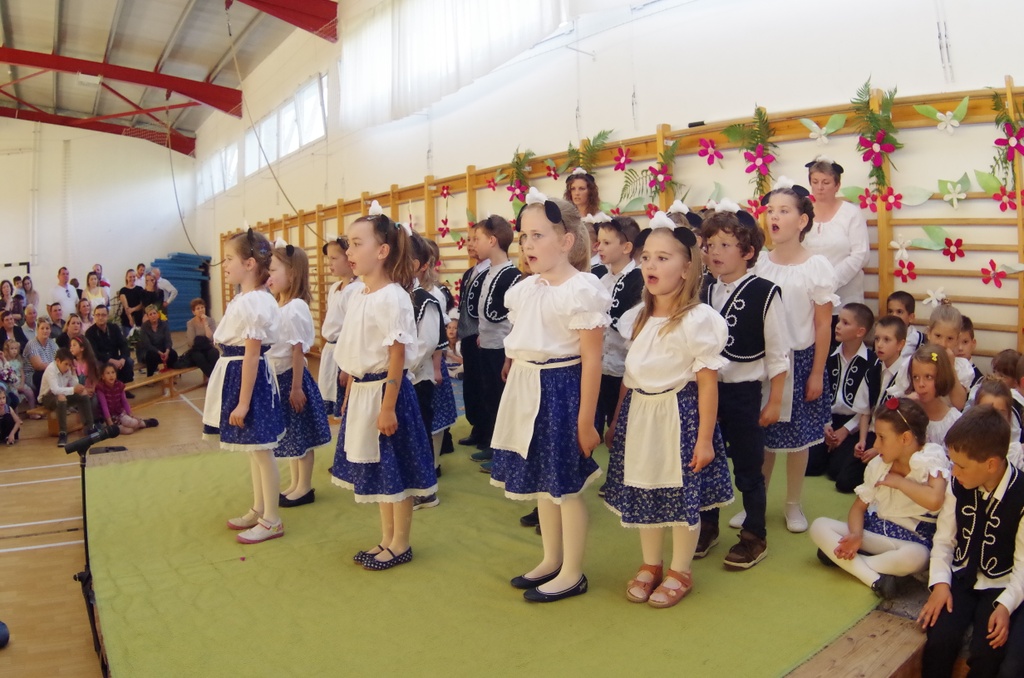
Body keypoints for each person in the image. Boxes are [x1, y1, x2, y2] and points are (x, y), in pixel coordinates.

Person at [602, 214, 733, 608]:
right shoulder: (638, 318)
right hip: (640, 416)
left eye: (663, 258)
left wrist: (705, 439)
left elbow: (707, 384)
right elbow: (630, 376)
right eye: (646, 258)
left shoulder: (698, 321)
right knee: (646, 488)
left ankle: (680, 569)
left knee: (680, 495)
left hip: (679, 416)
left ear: (687, 267)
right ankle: (651, 563)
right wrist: (617, 418)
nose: (651, 265)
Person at [489, 187, 611, 602]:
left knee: (565, 488)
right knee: (545, 483)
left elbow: (592, 361)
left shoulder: (581, 290)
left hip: (561, 391)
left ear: (566, 241)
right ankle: (551, 558)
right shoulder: (526, 288)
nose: (527, 244)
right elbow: (525, 336)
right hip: (528, 389)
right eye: (524, 236)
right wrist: (514, 362)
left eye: (538, 235)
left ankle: (573, 572)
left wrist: (586, 420)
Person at [328, 204, 437, 570]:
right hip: (364, 392)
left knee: (395, 471)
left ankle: (400, 543)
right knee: (379, 472)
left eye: (357, 243)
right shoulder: (359, 293)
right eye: (348, 243)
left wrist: (388, 407)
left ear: (382, 251)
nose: (349, 251)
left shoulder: (393, 296)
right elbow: (355, 350)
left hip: (385, 395)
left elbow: (396, 355)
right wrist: (349, 394)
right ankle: (386, 538)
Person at [696, 205, 788, 569]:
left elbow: (779, 354)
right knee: (705, 461)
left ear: (748, 252)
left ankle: (754, 535)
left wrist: (775, 401)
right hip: (705, 393)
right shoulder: (703, 289)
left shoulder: (765, 292)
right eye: (710, 245)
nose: (715, 252)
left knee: (749, 467)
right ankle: (707, 525)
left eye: (725, 245)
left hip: (744, 394)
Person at [747, 180, 837, 533]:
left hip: (800, 361)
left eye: (784, 211)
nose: (774, 217)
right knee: (763, 436)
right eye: (771, 210)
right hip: (764, 362)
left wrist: (816, 372)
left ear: (802, 221)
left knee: (798, 440)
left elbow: (823, 324)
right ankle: (756, 503)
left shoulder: (816, 266)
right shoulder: (759, 264)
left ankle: (793, 504)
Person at [919, 406, 1024, 678]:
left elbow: (1023, 565)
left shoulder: (1021, 496)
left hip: (1001, 585)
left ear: (991, 464)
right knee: (940, 639)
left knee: (988, 652)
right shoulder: (957, 486)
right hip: (960, 578)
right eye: (952, 463)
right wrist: (940, 584)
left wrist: (1006, 605)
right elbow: (944, 540)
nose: (954, 472)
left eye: (961, 466)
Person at [811, 397, 948, 598]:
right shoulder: (879, 464)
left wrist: (899, 482)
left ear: (905, 438)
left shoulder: (930, 457)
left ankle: (846, 562)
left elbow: (935, 500)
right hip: (875, 532)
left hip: (910, 541)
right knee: (819, 525)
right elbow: (858, 508)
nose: (875, 444)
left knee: (918, 557)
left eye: (882, 437)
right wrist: (856, 535)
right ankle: (875, 578)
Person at [200, 229, 286, 545]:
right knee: (253, 450)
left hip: (249, 379)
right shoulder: (246, 298)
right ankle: (259, 508)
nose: (223, 265)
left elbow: (251, 355)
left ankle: (272, 519)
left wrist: (244, 402)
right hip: (238, 373)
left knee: (262, 451)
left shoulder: (255, 302)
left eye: (228, 259)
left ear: (249, 264)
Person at [265, 241, 331, 508]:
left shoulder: (295, 308)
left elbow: (297, 350)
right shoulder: (279, 305)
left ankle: (304, 487)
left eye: (273, 270)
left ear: (292, 274)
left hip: (292, 380)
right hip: (279, 379)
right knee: (292, 435)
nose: (268, 276)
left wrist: (295, 388)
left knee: (301, 436)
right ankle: (295, 484)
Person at [469, 215, 521, 467]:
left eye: (477, 239)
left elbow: (514, 318)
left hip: (503, 348)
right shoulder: (487, 272)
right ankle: (493, 443)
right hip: (487, 345)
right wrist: (482, 333)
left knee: (504, 400)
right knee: (490, 397)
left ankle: (505, 453)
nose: (473, 244)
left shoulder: (512, 275)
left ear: (492, 240)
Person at [806, 303, 875, 491]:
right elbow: (819, 396)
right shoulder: (827, 355)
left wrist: (845, 430)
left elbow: (869, 407)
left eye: (845, 323)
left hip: (853, 423)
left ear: (860, 331)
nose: (837, 326)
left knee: (836, 472)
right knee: (809, 466)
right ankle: (828, 450)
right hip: (827, 420)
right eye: (838, 321)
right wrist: (825, 425)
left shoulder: (872, 363)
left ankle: (836, 455)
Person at [803, 157, 869, 321]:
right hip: (810, 300)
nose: (820, 187)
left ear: (837, 185)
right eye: (815, 182)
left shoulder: (851, 213)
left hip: (846, 302)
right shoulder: (804, 214)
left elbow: (861, 255)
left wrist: (830, 281)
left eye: (826, 182)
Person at [594, 215, 643, 438]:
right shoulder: (600, 279)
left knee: (623, 427)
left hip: (623, 370)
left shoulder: (639, 280)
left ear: (626, 247)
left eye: (606, 242)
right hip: (599, 368)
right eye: (599, 242)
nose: (599, 247)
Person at [407, 232, 446, 508]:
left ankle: (426, 490)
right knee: (408, 434)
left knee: (420, 433)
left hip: (417, 378)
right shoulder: (399, 296)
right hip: (402, 378)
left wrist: (402, 367)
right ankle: (412, 482)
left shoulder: (425, 300)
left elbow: (428, 341)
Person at [318, 236, 362, 416]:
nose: (330, 263)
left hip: (344, 351)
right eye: (328, 258)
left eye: (334, 258)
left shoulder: (356, 288)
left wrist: (346, 367)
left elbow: (353, 331)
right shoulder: (335, 287)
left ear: (349, 258)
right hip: (331, 350)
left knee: (346, 405)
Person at [423, 239, 458, 460]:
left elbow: (438, 335)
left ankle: (435, 462)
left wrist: (436, 367)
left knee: (436, 414)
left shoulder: (435, 293)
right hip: (415, 367)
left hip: (430, 364)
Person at [454, 236, 489, 449]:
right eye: (468, 240)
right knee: (471, 385)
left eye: (475, 239)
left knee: (485, 386)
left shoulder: (492, 272)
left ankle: (487, 432)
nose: (470, 244)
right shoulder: (470, 272)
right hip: (468, 336)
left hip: (481, 337)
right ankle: (476, 427)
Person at [902, 344, 961, 447]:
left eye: (928, 377)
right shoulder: (907, 414)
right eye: (916, 377)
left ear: (942, 377)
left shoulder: (954, 421)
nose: (921, 384)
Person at [39, 347, 95, 448]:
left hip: (63, 394)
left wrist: (73, 374)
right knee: (61, 397)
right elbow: (55, 390)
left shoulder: (68, 369)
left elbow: (75, 385)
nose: (68, 367)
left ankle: (90, 427)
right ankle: (63, 433)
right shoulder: (51, 369)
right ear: (57, 361)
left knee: (83, 393)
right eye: (66, 364)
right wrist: (73, 389)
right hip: (47, 397)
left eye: (70, 364)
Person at [972, 377, 1024, 470]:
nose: (993, 420)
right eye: (986, 412)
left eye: (1000, 414)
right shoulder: (964, 449)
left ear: (1009, 417)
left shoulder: (1017, 455)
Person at [564, 168, 605, 277]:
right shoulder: (567, 217)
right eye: (573, 189)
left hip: (595, 266)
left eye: (581, 188)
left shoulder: (599, 218)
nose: (577, 193)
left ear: (590, 191)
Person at [95, 363, 157, 435]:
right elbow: (104, 406)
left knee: (133, 422)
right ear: (103, 376)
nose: (111, 375)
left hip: (120, 414)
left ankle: (144, 423)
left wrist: (130, 414)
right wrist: (110, 422)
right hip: (108, 418)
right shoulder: (100, 388)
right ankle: (141, 423)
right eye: (108, 373)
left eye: (113, 372)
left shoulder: (119, 385)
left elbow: (124, 401)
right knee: (129, 431)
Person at [85, 305, 135, 387]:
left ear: (107, 316)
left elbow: (123, 345)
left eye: (103, 315)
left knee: (128, 361)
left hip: (116, 358)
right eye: (98, 315)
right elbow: (95, 353)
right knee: (104, 367)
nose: (100, 317)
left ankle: (126, 387)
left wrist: (122, 359)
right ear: (94, 316)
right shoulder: (90, 333)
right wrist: (111, 361)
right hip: (101, 361)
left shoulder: (114, 328)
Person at [184, 299, 220, 379]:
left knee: (214, 353)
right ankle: (213, 378)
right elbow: (191, 342)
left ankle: (214, 378)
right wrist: (204, 340)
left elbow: (212, 338)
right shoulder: (190, 323)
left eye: (202, 307)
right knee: (199, 357)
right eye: (198, 308)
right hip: (196, 349)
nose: (201, 310)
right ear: (193, 312)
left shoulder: (211, 320)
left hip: (208, 347)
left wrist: (205, 323)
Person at [138, 305, 178, 376]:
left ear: (158, 314)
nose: (153, 315)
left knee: (173, 354)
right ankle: (150, 376)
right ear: (148, 316)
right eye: (150, 314)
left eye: (154, 313)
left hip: (163, 349)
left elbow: (168, 340)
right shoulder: (144, 327)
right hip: (150, 351)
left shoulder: (164, 324)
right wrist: (159, 352)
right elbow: (147, 344)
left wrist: (167, 351)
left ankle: (171, 375)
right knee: (151, 356)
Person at [24, 317, 58, 396]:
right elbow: (38, 366)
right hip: (33, 375)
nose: (45, 331)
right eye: (42, 328)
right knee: (42, 374)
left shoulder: (52, 343)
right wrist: (56, 366)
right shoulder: (32, 344)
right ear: (37, 330)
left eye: (47, 328)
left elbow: (60, 358)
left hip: (50, 371)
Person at [886, 291, 925, 360]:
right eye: (890, 311)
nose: (893, 316)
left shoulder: (921, 340)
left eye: (899, 312)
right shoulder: (881, 337)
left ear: (911, 317)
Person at [3, 339, 36, 412]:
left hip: (20, 383)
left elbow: (22, 374)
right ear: (7, 350)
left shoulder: (18, 360)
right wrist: (15, 387)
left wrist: (22, 384)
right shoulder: (5, 362)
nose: (14, 351)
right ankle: (16, 414)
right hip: (11, 385)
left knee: (30, 392)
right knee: (15, 396)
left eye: (16, 349)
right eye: (12, 349)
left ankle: (33, 411)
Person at [956, 316, 984, 389]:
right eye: (956, 342)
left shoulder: (979, 380)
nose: (960, 348)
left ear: (973, 343)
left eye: (965, 342)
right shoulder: (943, 369)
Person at [118, 270, 145, 335]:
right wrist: (130, 319)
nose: (132, 278)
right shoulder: (123, 290)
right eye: (130, 277)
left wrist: (133, 309)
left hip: (139, 318)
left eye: (133, 276)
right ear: (126, 278)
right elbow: (126, 307)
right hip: (127, 320)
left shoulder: (140, 289)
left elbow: (142, 304)